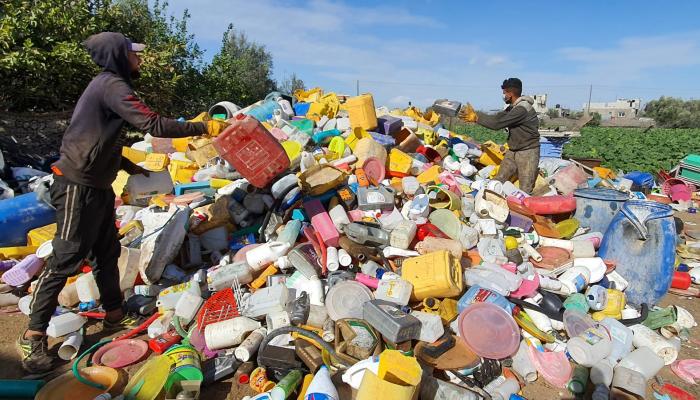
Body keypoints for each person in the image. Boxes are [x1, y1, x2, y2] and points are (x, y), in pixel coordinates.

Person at [18, 32, 227, 374]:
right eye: (135, 54)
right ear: (118, 55)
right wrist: (203, 126)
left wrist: (131, 167)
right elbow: (151, 123)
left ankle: (114, 314)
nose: (139, 59)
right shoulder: (111, 85)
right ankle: (34, 334)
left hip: (97, 185)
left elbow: (101, 136)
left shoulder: (110, 86)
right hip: (77, 185)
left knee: (106, 252)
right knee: (67, 256)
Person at [460, 78, 540, 194]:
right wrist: (477, 115)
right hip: (513, 150)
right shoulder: (513, 107)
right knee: (499, 179)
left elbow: (497, 124)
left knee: (525, 189)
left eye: (504, 93)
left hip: (528, 152)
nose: (503, 96)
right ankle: (491, 199)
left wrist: (477, 118)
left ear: (510, 93)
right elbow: (497, 118)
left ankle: (520, 205)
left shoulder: (521, 109)